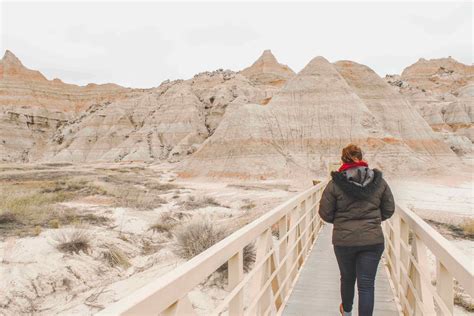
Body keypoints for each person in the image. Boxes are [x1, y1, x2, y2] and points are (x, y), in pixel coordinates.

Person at [318, 144, 395, 316]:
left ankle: (346, 311)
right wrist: (373, 220)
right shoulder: (379, 181)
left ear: (343, 159)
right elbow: (389, 209)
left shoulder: (334, 184)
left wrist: (341, 221)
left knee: (347, 278)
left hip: (344, 241)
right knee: (366, 285)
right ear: (361, 157)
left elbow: (325, 213)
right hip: (372, 240)